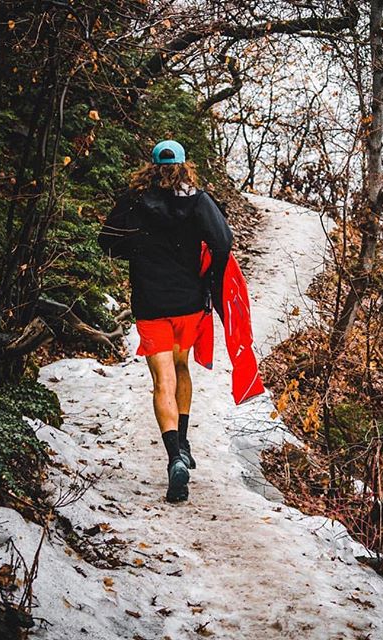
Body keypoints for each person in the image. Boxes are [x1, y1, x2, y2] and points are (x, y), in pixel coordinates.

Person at [97, 139, 233, 502]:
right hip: (189, 300)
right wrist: (209, 278)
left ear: (151, 167)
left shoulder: (132, 202)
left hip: (150, 300)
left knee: (162, 379)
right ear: (185, 166)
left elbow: (107, 241)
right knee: (181, 366)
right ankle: (185, 444)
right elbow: (223, 242)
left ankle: (175, 455)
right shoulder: (199, 201)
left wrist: (139, 250)